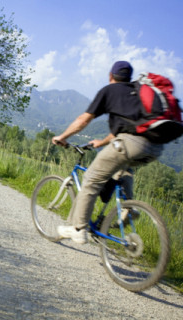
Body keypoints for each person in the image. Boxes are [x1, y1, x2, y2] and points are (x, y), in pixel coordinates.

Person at [52, 61, 163, 244]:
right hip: (154, 147)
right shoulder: (137, 92)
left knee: (91, 179)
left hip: (128, 144)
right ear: (129, 77)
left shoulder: (109, 91)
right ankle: (129, 207)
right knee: (122, 170)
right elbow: (121, 131)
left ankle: (78, 228)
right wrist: (101, 142)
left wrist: (62, 137)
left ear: (110, 76)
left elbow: (83, 120)